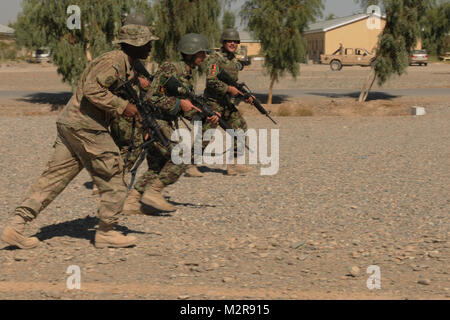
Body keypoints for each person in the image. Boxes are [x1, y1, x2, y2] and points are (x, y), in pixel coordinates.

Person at [0, 24, 158, 249]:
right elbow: (93, 90)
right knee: (115, 173)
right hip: (86, 127)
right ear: (135, 44)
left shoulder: (126, 65)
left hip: (72, 124)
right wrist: (123, 106)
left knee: (53, 178)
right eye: (147, 43)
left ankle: (15, 227)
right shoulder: (113, 62)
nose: (150, 47)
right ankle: (106, 231)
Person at [120, 33, 218, 215]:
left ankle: (132, 201)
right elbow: (151, 97)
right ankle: (154, 192)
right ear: (190, 53)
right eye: (201, 53)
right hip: (154, 121)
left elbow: (183, 106)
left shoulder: (189, 75)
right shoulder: (170, 68)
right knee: (180, 156)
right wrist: (179, 104)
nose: (204, 57)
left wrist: (204, 115)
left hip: (164, 122)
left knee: (158, 166)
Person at [201, 28, 254, 176]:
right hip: (213, 102)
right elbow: (211, 81)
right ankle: (190, 163)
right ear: (223, 42)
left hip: (226, 103)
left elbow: (234, 84)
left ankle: (234, 164)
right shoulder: (215, 58)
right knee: (207, 133)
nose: (232, 44)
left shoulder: (233, 59)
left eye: (235, 41)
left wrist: (243, 95)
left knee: (240, 127)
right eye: (229, 41)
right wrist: (228, 89)